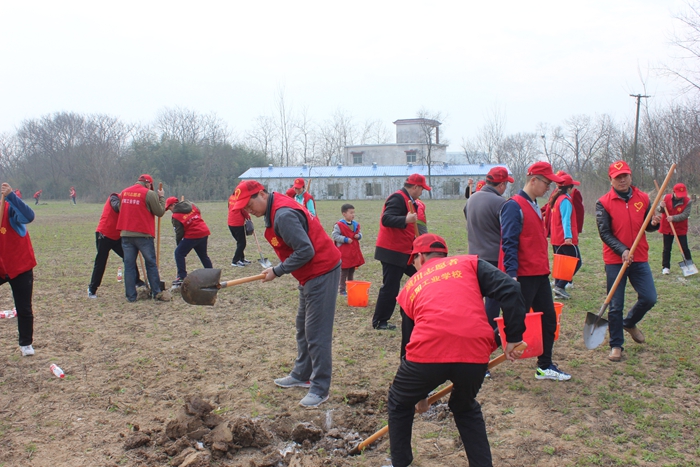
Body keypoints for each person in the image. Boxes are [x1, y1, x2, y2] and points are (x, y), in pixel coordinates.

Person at [387, 234, 527, 467]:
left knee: (399, 401)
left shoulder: (410, 286)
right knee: (464, 406)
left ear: (420, 257)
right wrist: (513, 337)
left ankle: (400, 462)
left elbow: (408, 344)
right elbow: (511, 289)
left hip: (426, 354)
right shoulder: (469, 264)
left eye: (413, 261)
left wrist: (417, 395)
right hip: (474, 353)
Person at [231, 180, 341, 408]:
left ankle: (320, 388)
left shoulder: (283, 216)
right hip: (309, 275)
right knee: (303, 327)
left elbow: (306, 250)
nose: (247, 209)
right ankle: (302, 374)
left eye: (249, 203)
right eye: (243, 206)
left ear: (261, 194)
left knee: (316, 332)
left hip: (321, 270)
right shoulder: (275, 208)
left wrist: (277, 270)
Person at [501, 161, 572, 381]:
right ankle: (476, 359)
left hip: (540, 274)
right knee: (514, 322)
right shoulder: (514, 206)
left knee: (548, 320)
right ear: (533, 180)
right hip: (523, 276)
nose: (549, 187)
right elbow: (509, 242)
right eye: (547, 182)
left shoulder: (534, 204)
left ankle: (545, 365)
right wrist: (512, 275)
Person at [596, 160, 659, 362]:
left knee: (649, 297)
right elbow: (604, 232)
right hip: (615, 260)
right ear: (611, 180)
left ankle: (629, 323)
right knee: (615, 304)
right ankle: (616, 345)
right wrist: (622, 250)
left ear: (630, 176)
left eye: (625, 176)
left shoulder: (643, 198)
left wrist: (654, 223)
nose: (622, 180)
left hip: (639, 257)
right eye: (617, 177)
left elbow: (646, 226)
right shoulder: (603, 203)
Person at [372, 173, 429, 340]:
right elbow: (386, 219)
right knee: (390, 287)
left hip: (404, 250)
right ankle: (380, 321)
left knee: (422, 276)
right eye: (422, 189)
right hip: (392, 251)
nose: (422, 193)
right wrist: (406, 219)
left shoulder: (408, 199)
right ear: (415, 187)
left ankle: (416, 312)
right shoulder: (397, 198)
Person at [465, 166, 513, 339]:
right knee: (494, 299)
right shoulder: (501, 203)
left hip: (474, 255)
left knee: (478, 297)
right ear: (501, 185)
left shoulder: (471, 199)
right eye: (506, 184)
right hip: (494, 257)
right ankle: (489, 333)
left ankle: (476, 328)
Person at [116, 174, 170, 302]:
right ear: (148, 184)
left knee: (129, 266)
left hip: (126, 234)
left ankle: (131, 296)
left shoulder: (124, 192)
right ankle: (156, 292)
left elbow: (120, 209)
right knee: (151, 264)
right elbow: (160, 211)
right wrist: (161, 197)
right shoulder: (149, 194)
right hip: (144, 235)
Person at [0, 183, 37, 357]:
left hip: (19, 264)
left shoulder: (9, 208)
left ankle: (26, 344)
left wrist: (11, 197)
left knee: (24, 307)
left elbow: (29, 216)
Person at [87, 192, 146, 299]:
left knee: (129, 257)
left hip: (117, 236)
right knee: (101, 261)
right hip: (104, 235)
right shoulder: (114, 197)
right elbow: (116, 207)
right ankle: (92, 288)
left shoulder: (128, 204)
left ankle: (137, 281)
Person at [548, 172, 583, 300]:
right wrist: (568, 236)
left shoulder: (556, 199)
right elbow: (565, 219)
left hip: (556, 238)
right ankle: (560, 286)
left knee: (562, 264)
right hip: (565, 239)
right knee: (576, 262)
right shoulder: (565, 200)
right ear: (568, 188)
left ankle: (559, 289)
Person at [165, 197, 213, 286]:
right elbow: (198, 212)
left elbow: (179, 232)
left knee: (178, 253)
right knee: (203, 256)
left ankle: (182, 277)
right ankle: (212, 276)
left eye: (169, 208)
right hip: (203, 231)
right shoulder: (191, 205)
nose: (170, 210)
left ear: (173, 205)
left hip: (192, 235)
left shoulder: (175, 216)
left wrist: (179, 244)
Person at [657, 182, 693, 275]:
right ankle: (665, 267)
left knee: (684, 247)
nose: (681, 197)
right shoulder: (665, 198)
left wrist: (673, 218)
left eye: (682, 194)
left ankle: (690, 265)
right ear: (673, 192)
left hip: (680, 228)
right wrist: (661, 206)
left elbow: (685, 215)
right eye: (679, 194)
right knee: (667, 248)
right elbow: (659, 210)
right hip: (667, 227)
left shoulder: (688, 201)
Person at [331, 203, 364, 295]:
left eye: (354, 213)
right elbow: (335, 235)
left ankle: (351, 287)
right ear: (344, 214)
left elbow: (360, 233)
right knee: (344, 271)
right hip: (344, 253)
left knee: (351, 271)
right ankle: (342, 289)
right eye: (351, 213)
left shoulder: (356, 224)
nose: (353, 215)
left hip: (353, 253)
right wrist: (344, 239)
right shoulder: (339, 225)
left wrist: (359, 236)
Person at [228, 190, 252, 267]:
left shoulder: (231, 198)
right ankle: (235, 261)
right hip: (237, 224)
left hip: (230, 223)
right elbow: (243, 210)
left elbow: (229, 207)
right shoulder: (239, 200)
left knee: (239, 243)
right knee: (242, 243)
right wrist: (248, 217)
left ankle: (241, 259)